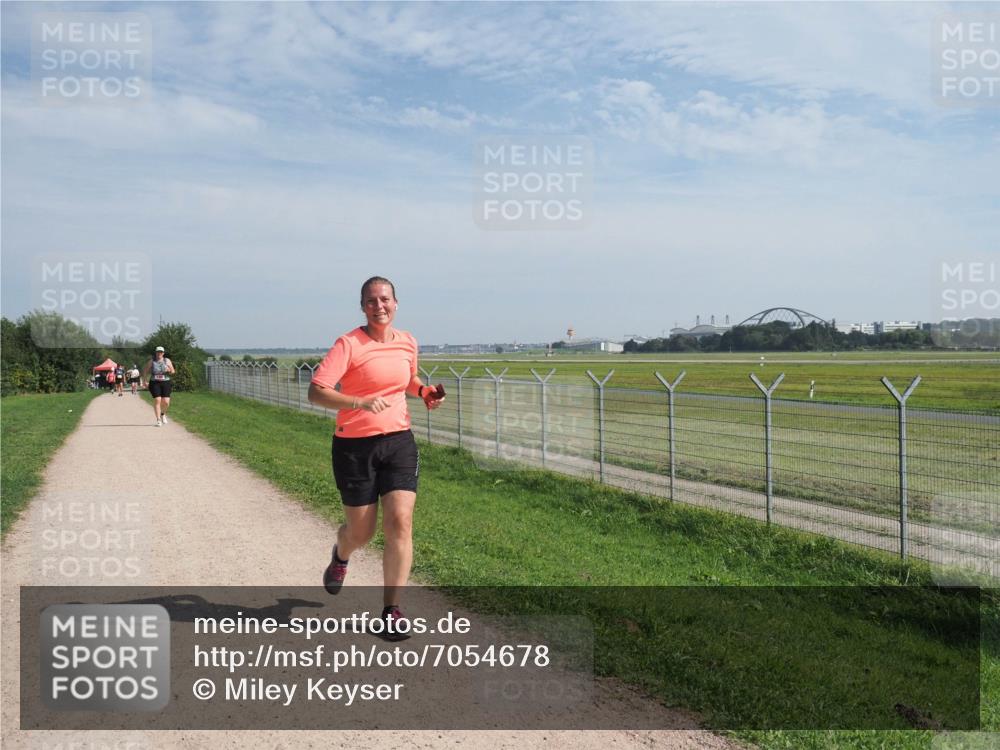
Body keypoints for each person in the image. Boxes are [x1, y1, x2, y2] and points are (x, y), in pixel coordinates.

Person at [308, 276, 444, 640]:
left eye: (385, 299)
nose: (379, 305)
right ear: (363, 307)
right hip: (355, 446)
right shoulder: (349, 344)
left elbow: (408, 380)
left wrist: (424, 391)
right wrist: (358, 401)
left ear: (396, 303)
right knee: (361, 532)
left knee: (400, 522)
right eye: (371, 301)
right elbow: (317, 392)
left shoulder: (408, 342)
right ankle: (341, 553)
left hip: (398, 441)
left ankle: (391, 610)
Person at [143, 346, 175, 427]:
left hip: (166, 382)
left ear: (163, 353)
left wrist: (169, 370)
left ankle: (163, 414)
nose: (159, 353)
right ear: (156, 353)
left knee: (166, 402)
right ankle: (158, 420)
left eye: (161, 352)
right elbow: (145, 371)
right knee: (157, 400)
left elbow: (173, 371)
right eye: (158, 352)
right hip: (155, 382)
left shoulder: (167, 360)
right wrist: (144, 381)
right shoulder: (152, 361)